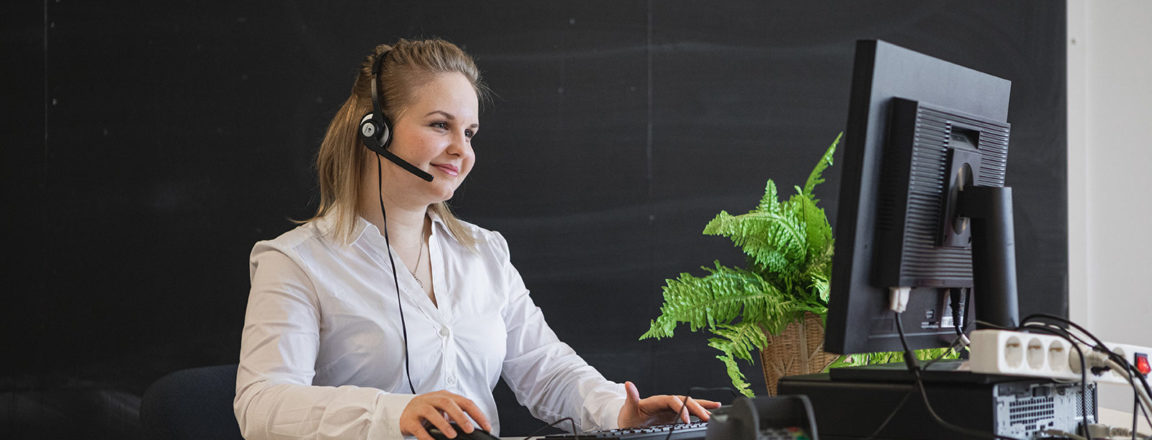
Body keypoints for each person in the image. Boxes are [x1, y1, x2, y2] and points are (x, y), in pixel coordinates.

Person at [234, 38, 719, 440]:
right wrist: (391, 415)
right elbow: (262, 403)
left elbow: (546, 369)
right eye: (440, 125)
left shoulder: (483, 252)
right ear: (375, 131)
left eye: (469, 132)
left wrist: (621, 412)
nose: (461, 151)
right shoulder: (296, 262)